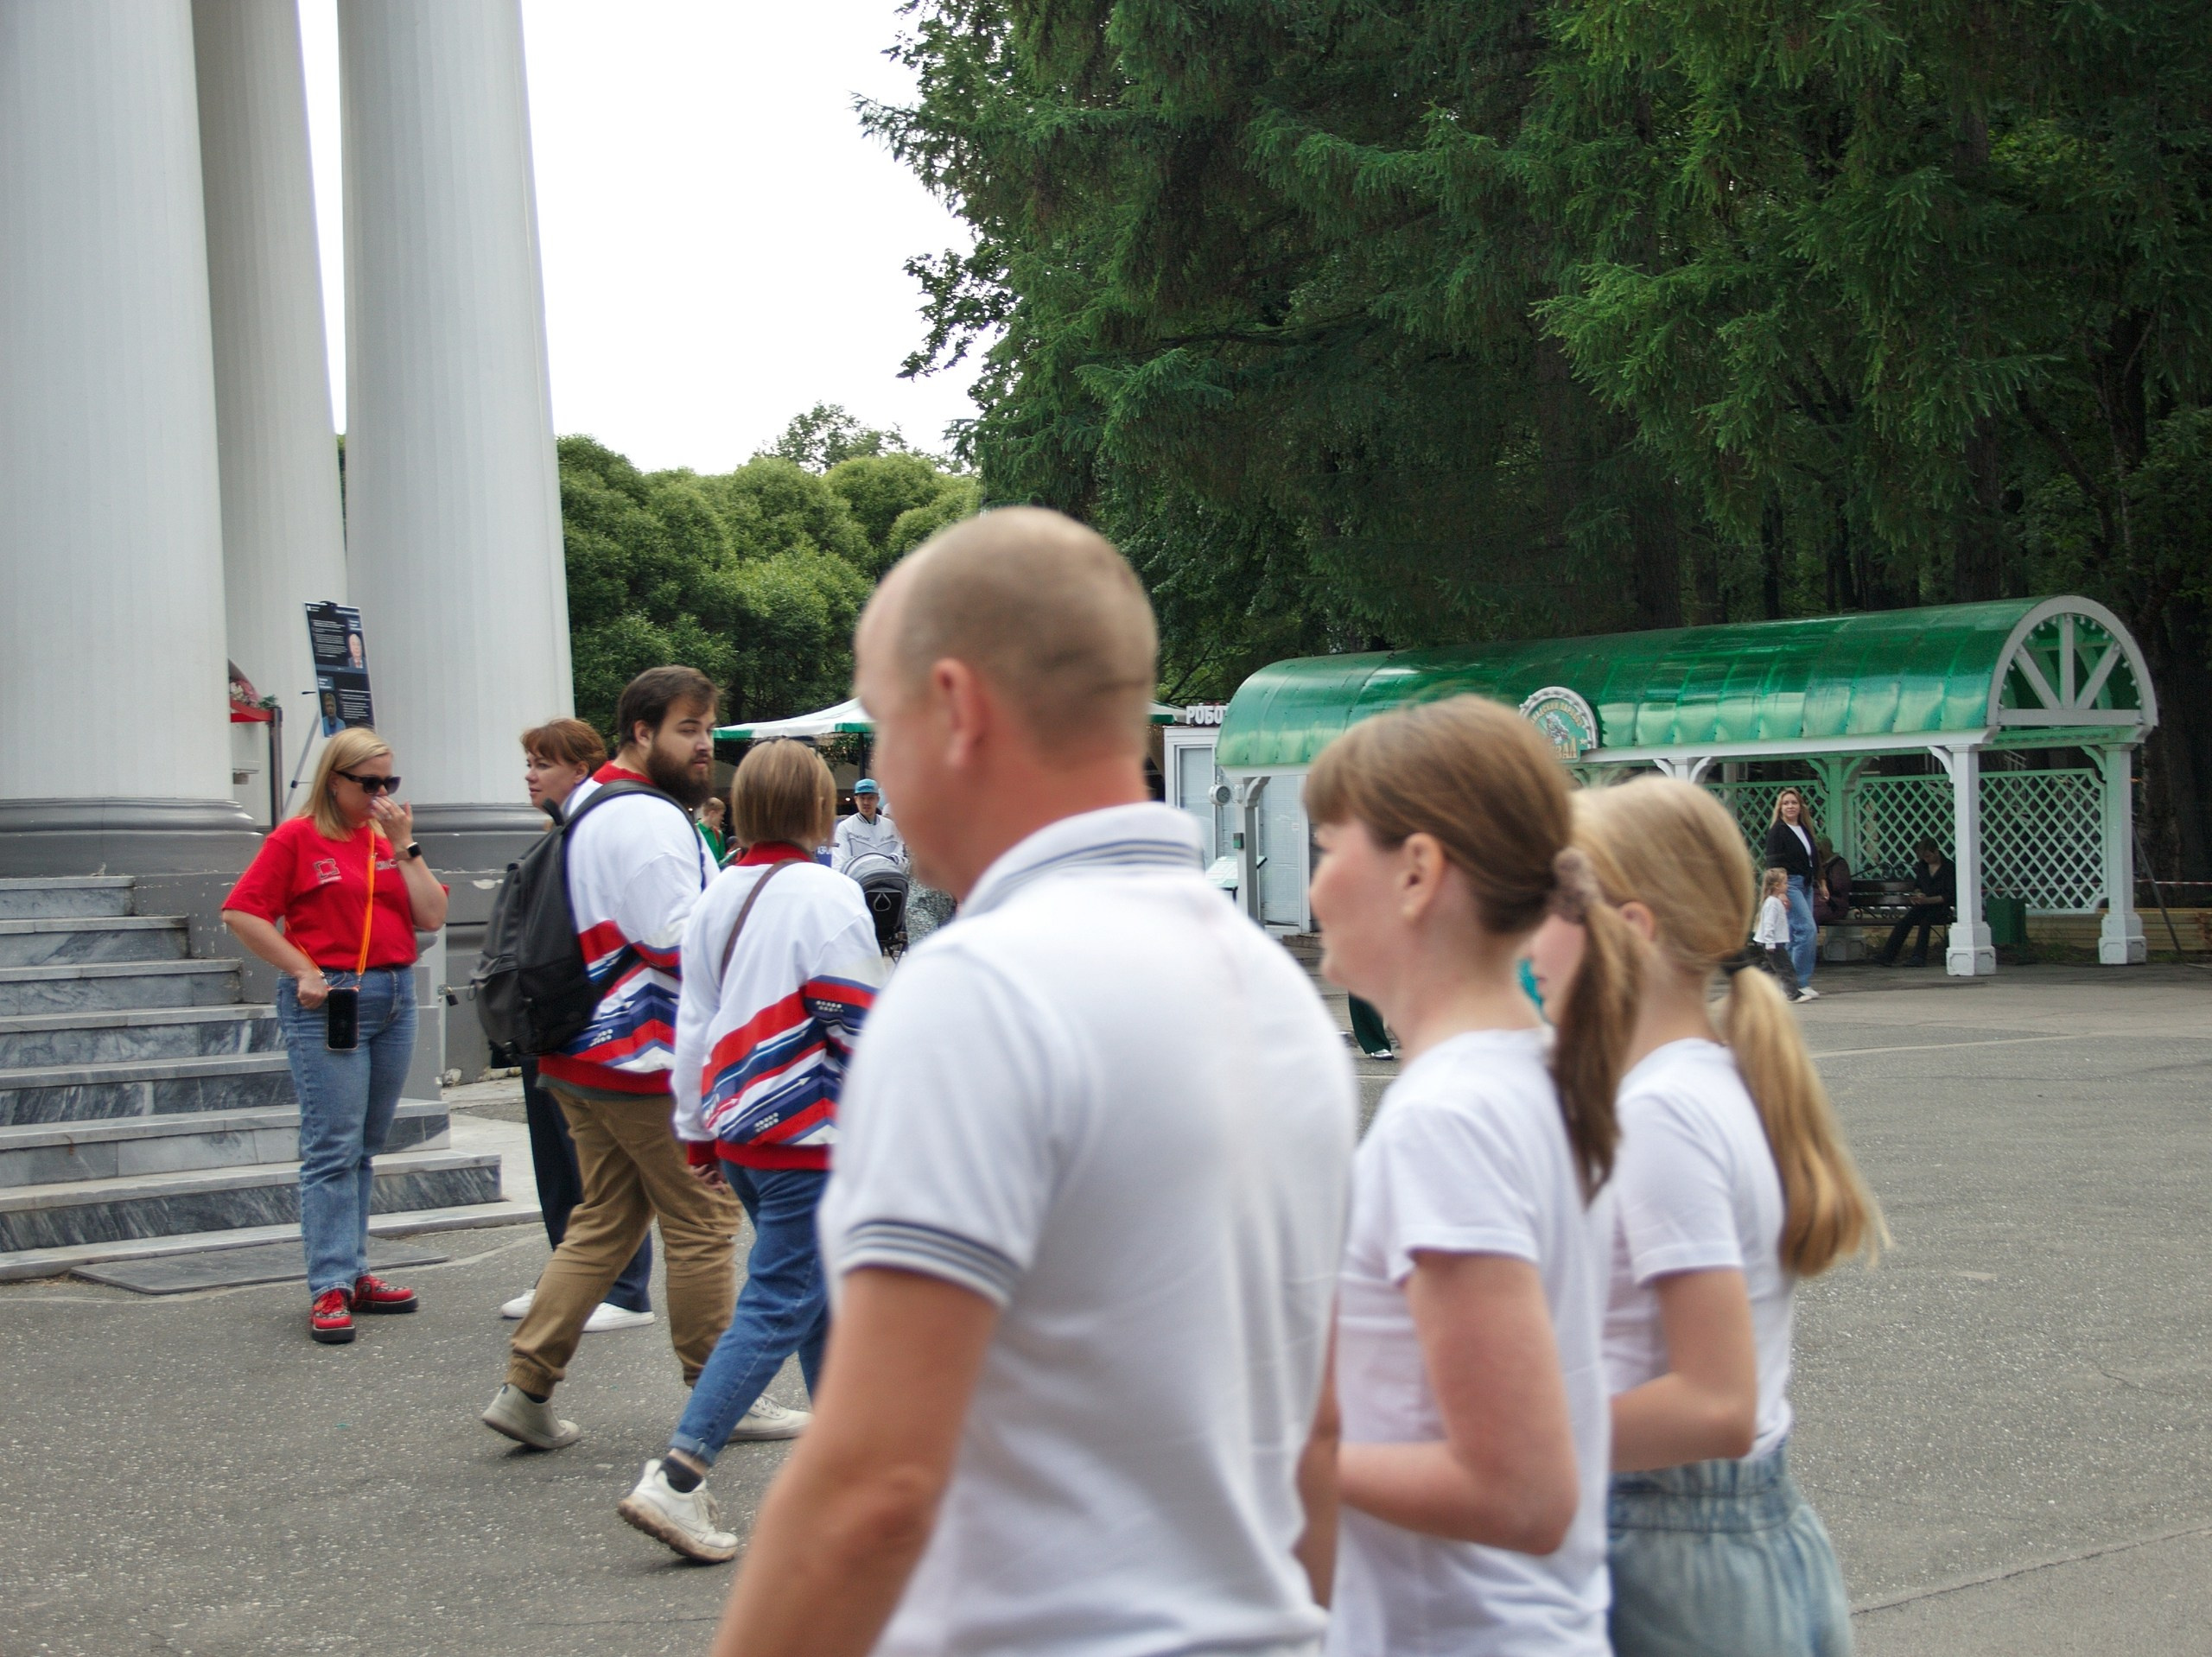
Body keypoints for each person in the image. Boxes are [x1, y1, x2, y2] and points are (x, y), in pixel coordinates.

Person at [709, 508, 1356, 1657]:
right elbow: (1316, 1432)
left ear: (955, 707)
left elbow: (875, 1482)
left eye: (881, 729)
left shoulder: (980, 991)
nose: (879, 780)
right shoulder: (1271, 990)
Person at [1309, 695, 1637, 1657]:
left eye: (1328, 847)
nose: (1317, 884)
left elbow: (1521, 1491)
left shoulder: (1447, 1121)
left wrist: (1275, 1452)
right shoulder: (1532, 1074)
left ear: (1416, 872)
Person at [1535, 776, 1884, 1656]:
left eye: (1553, 906)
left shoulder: (1662, 1115)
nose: (1529, 938)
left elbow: (1715, 1401)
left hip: (1672, 1552)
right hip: (1728, 1535)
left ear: (1628, 927)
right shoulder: (1707, 1080)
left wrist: (1512, 1434)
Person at [619, 740, 884, 1561]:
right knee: (782, 1301)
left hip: (739, 1128)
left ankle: (847, 1479)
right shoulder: (828, 896)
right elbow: (858, 1025)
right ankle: (678, 1476)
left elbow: (692, 1022)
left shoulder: (716, 894)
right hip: (811, 1133)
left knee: (813, 1301)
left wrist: (697, 1124)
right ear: (817, 806)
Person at [480, 667, 744, 1451]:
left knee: (603, 1219)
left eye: (706, 729)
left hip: (582, 1055)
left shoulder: (595, 807)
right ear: (641, 732)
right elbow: (674, 938)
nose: (704, 746)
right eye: (689, 730)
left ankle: (527, 1387)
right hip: (640, 1060)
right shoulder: (647, 820)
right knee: (703, 1220)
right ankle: (718, 1399)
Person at [221, 727, 449, 1346]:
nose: (380, 795)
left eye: (388, 784)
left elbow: (431, 915)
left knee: (366, 1143)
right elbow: (242, 910)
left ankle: (354, 1270)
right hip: (332, 997)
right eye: (368, 783)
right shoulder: (298, 837)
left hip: (394, 993)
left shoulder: (386, 840)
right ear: (334, 781)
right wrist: (302, 968)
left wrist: (406, 846)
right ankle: (329, 1281)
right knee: (333, 1145)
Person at [500, 717, 656, 1335]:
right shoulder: (559, 831)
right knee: (557, 1154)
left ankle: (622, 1285)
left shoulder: (599, 827)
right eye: (530, 761)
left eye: (544, 762)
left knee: (600, 1164)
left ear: (579, 768)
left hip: (586, 1013)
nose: (531, 772)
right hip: (549, 1011)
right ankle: (573, 1270)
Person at [1763, 789, 1822, 1000]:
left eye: (1794, 803)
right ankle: (1796, 984)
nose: (1790, 806)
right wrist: (1779, 891)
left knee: (1795, 934)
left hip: (1806, 883)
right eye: (1786, 803)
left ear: (1800, 806)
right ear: (1780, 808)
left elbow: (1813, 858)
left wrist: (1821, 882)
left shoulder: (1804, 829)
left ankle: (1793, 984)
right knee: (1808, 930)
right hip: (1790, 884)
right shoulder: (1778, 831)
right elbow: (1772, 863)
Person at [1876, 839, 1955, 968]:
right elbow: (1918, 885)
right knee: (1905, 922)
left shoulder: (1948, 867)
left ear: (1936, 851)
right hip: (1924, 905)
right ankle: (1888, 955)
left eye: (1928, 856)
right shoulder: (1922, 866)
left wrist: (1929, 900)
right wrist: (1918, 894)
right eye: (1924, 857)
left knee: (1926, 921)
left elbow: (1949, 895)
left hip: (1940, 907)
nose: (1926, 859)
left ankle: (1919, 956)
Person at [829, 778, 904, 873]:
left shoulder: (890, 826)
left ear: (877, 799)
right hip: (858, 884)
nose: (866, 803)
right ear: (856, 800)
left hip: (888, 883)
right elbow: (839, 864)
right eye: (862, 798)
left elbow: (901, 856)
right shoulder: (845, 827)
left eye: (870, 798)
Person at [1753, 867, 1805, 1001]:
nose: (1787, 886)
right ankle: (1792, 994)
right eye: (1785, 883)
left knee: (1770, 968)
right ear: (1777, 886)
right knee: (1785, 968)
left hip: (1773, 941)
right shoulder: (1772, 903)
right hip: (1773, 942)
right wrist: (1770, 941)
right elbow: (1769, 924)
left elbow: (1776, 921)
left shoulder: (1774, 902)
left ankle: (1753, 988)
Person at [1811, 837, 1852, 927]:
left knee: (1810, 915)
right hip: (1818, 903)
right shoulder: (1816, 865)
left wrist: (1821, 883)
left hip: (1835, 905)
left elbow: (1839, 886)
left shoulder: (1839, 864)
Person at [696, 795, 728, 865]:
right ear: (712, 813)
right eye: (721, 815)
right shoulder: (694, 832)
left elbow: (721, 860)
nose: (722, 819)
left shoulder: (718, 834)